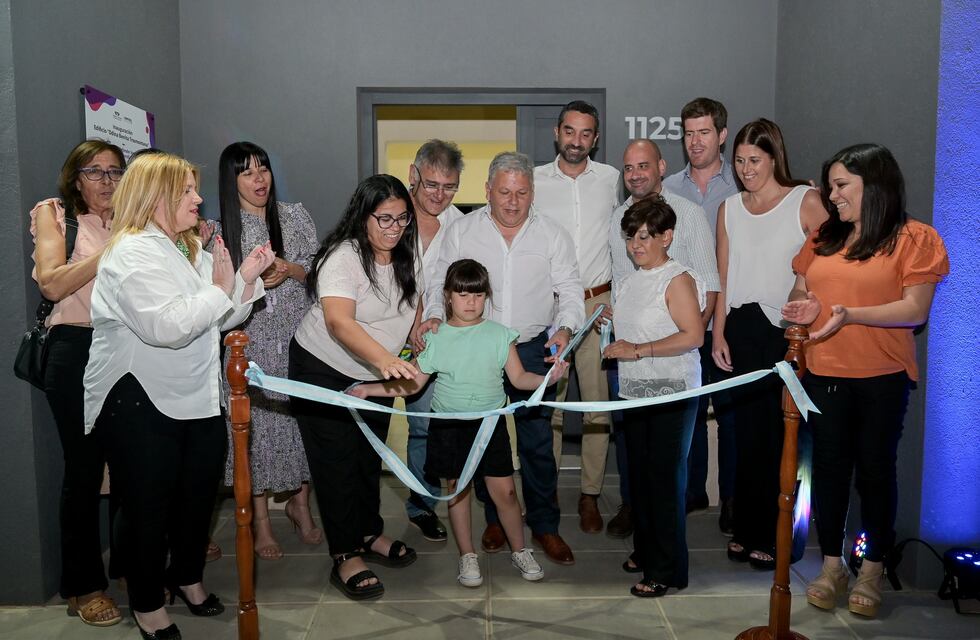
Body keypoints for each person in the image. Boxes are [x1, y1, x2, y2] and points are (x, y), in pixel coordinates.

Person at [84, 152, 274, 638]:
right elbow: (166, 327)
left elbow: (217, 316)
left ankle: (187, 578)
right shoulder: (129, 253)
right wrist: (221, 287)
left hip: (195, 396)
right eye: (187, 191)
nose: (198, 198)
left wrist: (243, 281)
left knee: (196, 499)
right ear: (156, 198)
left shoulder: (186, 249)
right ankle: (148, 604)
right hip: (140, 400)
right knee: (149, 507)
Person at [782, 144, 948, 618]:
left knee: (875, 472)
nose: (830, 196)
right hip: (823, 373)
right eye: (830, 185)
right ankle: (832, 566)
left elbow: (915, 310)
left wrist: (849, 315)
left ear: (874, 186)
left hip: (882, 378)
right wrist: (804, 306)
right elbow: (801, 286)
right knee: (829, 472)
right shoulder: (824, 236)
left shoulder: (915, 238)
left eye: (840, 186)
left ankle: (872, 569)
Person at [350, 259, 568, 586]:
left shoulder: (499, 335)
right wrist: (369, 389)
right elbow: (413, 384)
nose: (471, 302)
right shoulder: (437, 339)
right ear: (448, 296)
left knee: (506, 493)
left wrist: (548, 379)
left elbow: (520, 378)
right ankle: (467, 556)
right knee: (457, 492)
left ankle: (520, 549)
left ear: (486, 297)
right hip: (450, 428)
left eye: (478, 295)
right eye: (463, 294)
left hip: (488, 426)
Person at [417, 151, 585, 565]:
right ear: (488, 190)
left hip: (530, 347)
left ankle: (545, 526)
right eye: (504, 192)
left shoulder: (553, 233)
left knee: (537, 443)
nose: (512, 201)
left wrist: (564, 329)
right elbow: (440, 278)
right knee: (480, 440)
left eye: (522, 193)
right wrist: (436, 317)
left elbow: (570, 288)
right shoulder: (462, 230)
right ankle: (494, 521)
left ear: (533, 193)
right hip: (475, 344)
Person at [289, 174, 420, 601]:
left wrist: (420, 330)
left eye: (402, 219)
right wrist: (385, 361)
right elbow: (338, 321)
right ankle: (345, 554)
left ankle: (368, 534)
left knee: (368, 457)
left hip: (375, 373)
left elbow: (408, 306)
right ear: (362, 216)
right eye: (383, 219)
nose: (393, 228)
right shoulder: (342, 256)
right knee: (336, 461)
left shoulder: (405, 254)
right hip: (323, 367)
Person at [712, 119, 828, 570]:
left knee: (782, 437)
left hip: (784, 331)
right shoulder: (728, 208)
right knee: (744, 437)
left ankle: (776, 537)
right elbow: (723, 277)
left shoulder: (807, 200)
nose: (746, 170)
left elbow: (828, 265)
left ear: (774, 157)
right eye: (739, 161)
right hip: (739, 329)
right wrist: (719, 331)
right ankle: (745, 528)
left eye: (754, 160)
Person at [28, 139, 126, 628]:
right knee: (85, 468)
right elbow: (51, 283)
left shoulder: (131, 221)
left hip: (129, 348)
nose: (106, 182)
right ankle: (84, 584)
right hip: (76, 349)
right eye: (95, 172)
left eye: (114, 172)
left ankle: (131, 566)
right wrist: (113, 251)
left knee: (132, 463)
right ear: (75, 177)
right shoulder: (56, 215)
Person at [605, 139, 719, 540]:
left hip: (669, 366)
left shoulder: (688, 215)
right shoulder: (620, 217)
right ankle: (640, 520)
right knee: (636, 455)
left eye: (643, 165)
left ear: (661, 167)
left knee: (667, 465)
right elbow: (626, 284)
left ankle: (670, 534)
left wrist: (682, 342)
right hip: (629, 363)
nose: (635, 174)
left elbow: (706, 290)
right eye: (628, 167)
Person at [215, 141, 322, 560]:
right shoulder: (221, 230)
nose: (259, 179)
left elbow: (317, 269)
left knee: (302, 423)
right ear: (232, 180)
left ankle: (301, 504)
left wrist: (289, 269)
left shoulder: (294, 215)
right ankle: (260, 521)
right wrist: (256, 282)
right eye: (247, 172)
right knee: (253, 433)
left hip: (298, 338)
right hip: (250, 342)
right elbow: (218, 293)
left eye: (264, 169)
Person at [602, 197, 705, 597]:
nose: (636, 245)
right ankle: (646, 550)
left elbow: (693, 336)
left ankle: (668, 568)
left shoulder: (677, 278)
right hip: (634, 391)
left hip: (671, 391)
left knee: (664, 480)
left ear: (668, 237)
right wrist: (614, 324)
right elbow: (635, 325)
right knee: (641, 479)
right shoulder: (629, 279)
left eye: (645, 236)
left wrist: (637, 350)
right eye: (631, 236)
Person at [533, 100, 620, 534]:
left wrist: (616, 298)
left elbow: (625, 239)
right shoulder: (533, 182)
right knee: (548, 403)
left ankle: (589, 495)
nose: (576, 141)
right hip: (549, 307)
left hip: (596, 307)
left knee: (596, 407)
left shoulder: (611, 180)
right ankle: (544, 491)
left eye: (586, 134)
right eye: (570, 131)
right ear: (557, 132)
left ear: (595, 138)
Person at [663, 97, 740, 532]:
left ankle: (730, 498)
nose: (695, 141)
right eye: (688, 133)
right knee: (686, 415)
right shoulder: (669, 188)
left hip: (729, 323)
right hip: (683, 323)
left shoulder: (744, 184)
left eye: (704, 132)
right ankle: (691, 493)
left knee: (729, 416)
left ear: (722, 135)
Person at [402, 140, 465, 542]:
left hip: (432, 342)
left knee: (424, 427)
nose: (439, 195)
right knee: (366, 424)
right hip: (376, 341)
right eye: (431, 185)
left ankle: (421, 504)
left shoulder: (460, 225)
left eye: (449, 187)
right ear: (413, 175)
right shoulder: (388, 213)